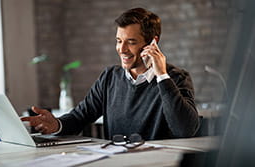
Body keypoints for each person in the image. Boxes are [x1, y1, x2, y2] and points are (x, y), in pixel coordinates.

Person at [21, 7, 200, 140]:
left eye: (130, 42)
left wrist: (162, 75)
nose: (122, 49)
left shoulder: (175, 78)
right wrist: (57, 124)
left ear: (152, 42)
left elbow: (185, 130)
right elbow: (80, 116)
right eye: (118, 41)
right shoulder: (109, 77)